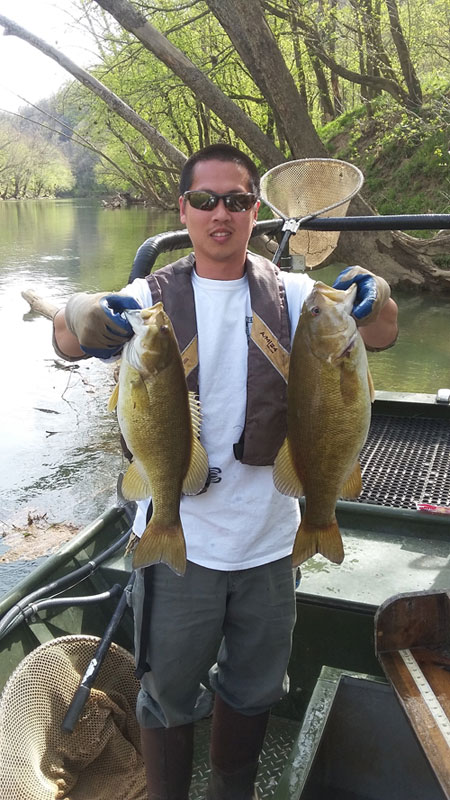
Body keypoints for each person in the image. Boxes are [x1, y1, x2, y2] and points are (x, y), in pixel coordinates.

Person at [53, 143, 398, 800]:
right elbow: (67, 340)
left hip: (271, 545)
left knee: (254, 692)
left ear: (254, 211)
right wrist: (84, 314)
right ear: (183, 209)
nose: (221, 214)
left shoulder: (298, 295)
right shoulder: (147, 300)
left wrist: (374, 292)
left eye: (237, 200)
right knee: (168, 697)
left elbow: (381, 331)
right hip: (184, 549)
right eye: (206, 200)